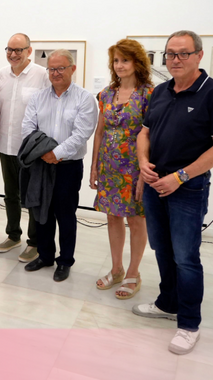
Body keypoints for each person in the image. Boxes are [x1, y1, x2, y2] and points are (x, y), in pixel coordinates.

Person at [134, 30, 213, 355]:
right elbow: (145, 132)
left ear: (199, 55)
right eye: (170, 54)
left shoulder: (209, 92)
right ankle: (167, 302)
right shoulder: (160, 91)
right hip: (154, 184)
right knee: (162, 249)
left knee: (186, 257)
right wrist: (142, 162)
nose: (175, 60)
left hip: (187, 187)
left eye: (182, 53)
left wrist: (181, 176)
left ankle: (189, 323)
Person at [21, 49, 98, 282]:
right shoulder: (38, 97)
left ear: (72, 69)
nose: (55, 73)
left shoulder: (84, 98)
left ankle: (64, 261)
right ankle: (45, 255)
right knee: (41, 212)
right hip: (41, 165)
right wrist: (45, 153)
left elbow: (82, 134)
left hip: (68, 166)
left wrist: (55, 153)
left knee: (65, 215)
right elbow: (27, 128)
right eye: (51, 69)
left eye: (60, 68)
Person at [90, 39, 154, 299]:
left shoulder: (149, 94)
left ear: (137, 62)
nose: (119, 65)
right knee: (112, 216)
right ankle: (116, 268)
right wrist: (94, 166)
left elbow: (152, 134)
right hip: (109, 166)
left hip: (135, 168)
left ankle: (133, 273)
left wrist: (146, 169)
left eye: (125, 60)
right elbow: (99, 132)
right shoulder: (106, 94)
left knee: (137, 219)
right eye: (116, 61)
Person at [0, 33, 51, 262]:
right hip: (6, 144)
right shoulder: (0, 75)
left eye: (18, 50)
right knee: (11, 194)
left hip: (30, 149)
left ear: (29, 50)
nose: (13, 54)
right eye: (9, 49)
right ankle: (13, 235)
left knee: (32, 196)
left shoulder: (41, 75)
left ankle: (34, 242)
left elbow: (48, 110)